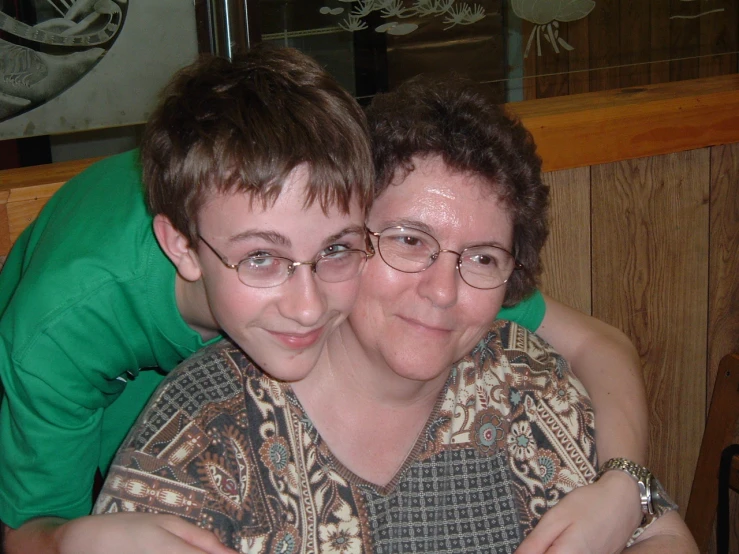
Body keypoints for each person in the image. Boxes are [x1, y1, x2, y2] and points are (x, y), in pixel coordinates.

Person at [0, 47, 646, 553]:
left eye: (336, 249)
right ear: (184, 248)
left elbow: (596, 343)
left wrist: (625, 486)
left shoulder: (407, 262)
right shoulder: (63, 325)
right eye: (262, 259)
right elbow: (27, 531)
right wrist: (73, 538)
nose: (309, 308)